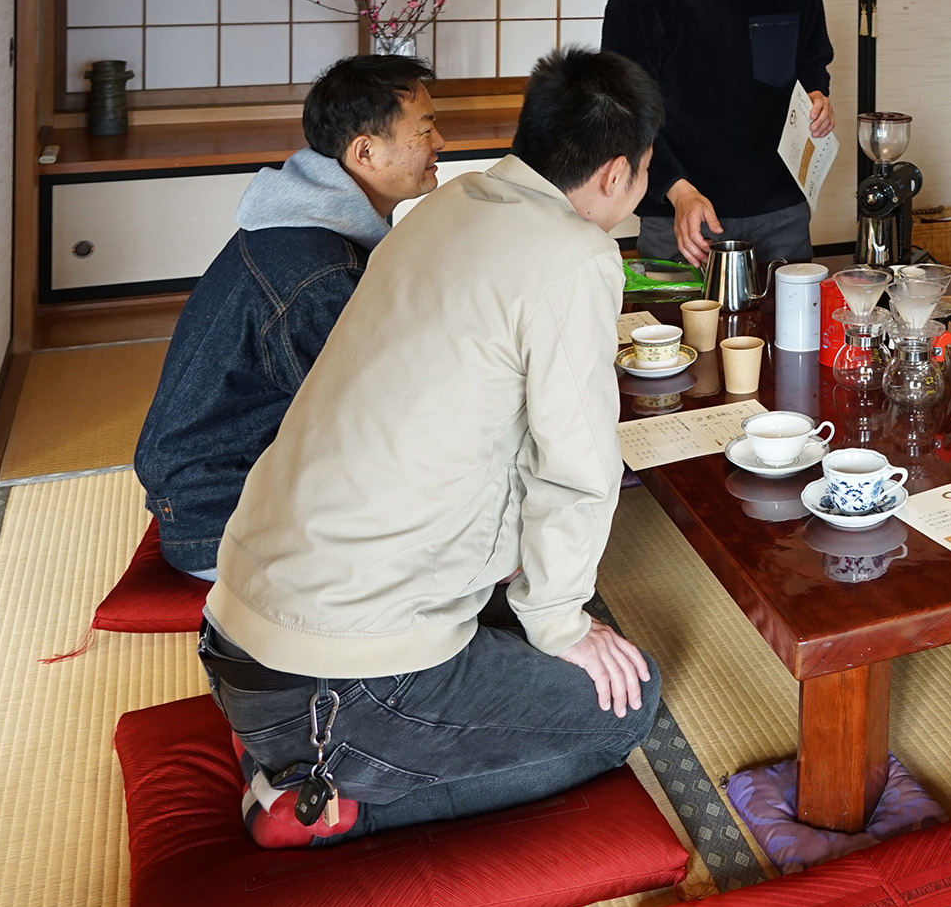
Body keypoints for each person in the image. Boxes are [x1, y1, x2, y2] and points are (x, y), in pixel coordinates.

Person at [199, 46, 664, 849]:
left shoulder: (447, 204)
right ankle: (321, 798)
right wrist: (562, 624)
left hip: (242, 628)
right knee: (626, 706)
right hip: (335, 682)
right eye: (647, 170)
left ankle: (291, 745)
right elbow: (576, 468)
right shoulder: (576, 254)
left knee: (531, 618)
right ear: (617, 173)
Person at [133, 54, 445, 579]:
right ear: (365, 151)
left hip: (224, 480)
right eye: (426, 129)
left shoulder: (303, 220)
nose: (440, 142)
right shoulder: (318, 274)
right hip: (222, 516)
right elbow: (372, 429)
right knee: (456, 550)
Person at [602, 0, 834, 269]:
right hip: (685, 213)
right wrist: (678, 191)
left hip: (780, 210)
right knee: (684, 317)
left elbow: (810, 63)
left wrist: (817, 95)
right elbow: (625, 110)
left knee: (790, 314)